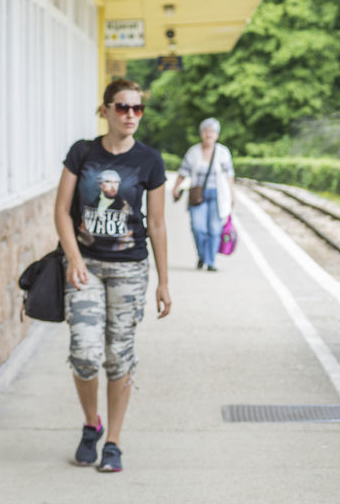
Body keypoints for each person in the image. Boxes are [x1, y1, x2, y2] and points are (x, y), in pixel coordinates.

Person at [54, 78, 171, 473]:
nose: (131, 116)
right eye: (122, 107)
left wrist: (164, 281)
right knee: (84, 354)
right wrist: (74, 258)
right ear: (105, 110)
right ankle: (92, 425)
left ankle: (114, 442)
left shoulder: (149, 160)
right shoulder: (82, 153)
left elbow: (156, 224)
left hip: (129, 270)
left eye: (137, 108)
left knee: (119, 356)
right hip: (86, 266)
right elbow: (61, 211)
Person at [171, 117, 235, 271]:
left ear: (217, 135)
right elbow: (183, 172)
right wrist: (176, 187)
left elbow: (229, 175)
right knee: (198, 227)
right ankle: (202, 255)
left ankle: (210, 261)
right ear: (201, 134)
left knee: (214, 229)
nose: (209, 134)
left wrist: (232, 194)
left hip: (217, 195)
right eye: (206, 131)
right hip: (197, 195)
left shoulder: (223, 152)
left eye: (212, 131)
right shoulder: (193, 152)